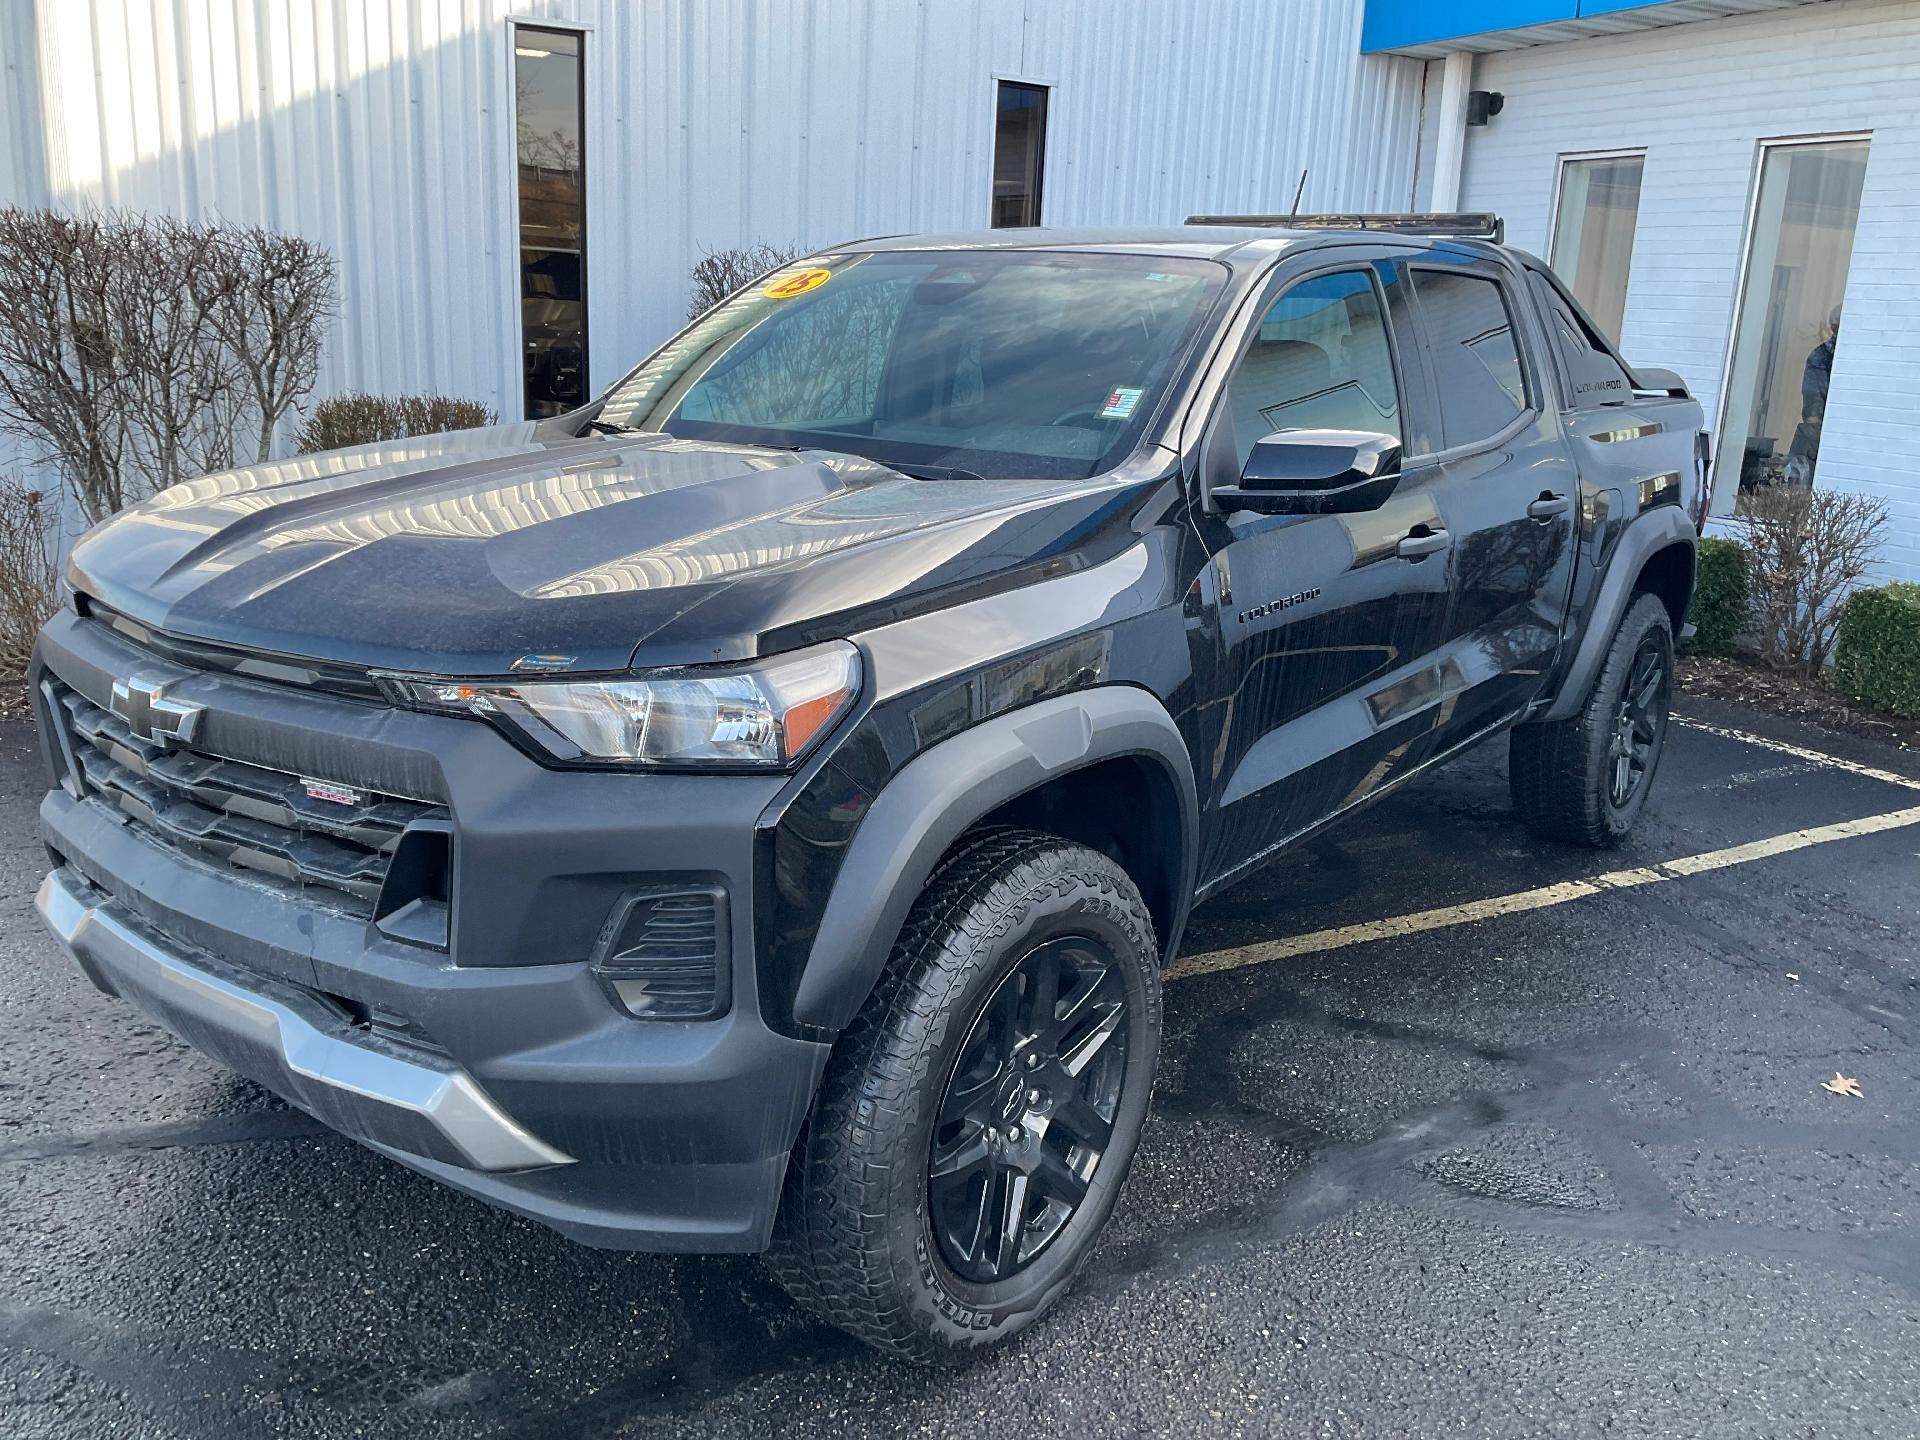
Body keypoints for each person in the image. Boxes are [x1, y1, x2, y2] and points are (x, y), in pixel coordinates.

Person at [1788, 304, 1841, 483]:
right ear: (1834, 327)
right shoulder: (1822, 356)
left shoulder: (1840, 356)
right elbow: (1813, 401)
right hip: (1822, 434)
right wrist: (1815, 424)